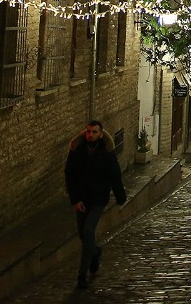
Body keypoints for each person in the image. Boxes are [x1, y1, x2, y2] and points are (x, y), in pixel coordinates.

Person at [65, 120, 126, 289]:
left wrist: (120, 196)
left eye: (94, 132)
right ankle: (95, 252)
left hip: (98, 199)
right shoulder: (77, 151)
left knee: (88, 231)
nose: (90, 135)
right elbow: (69, 175)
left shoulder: (106, 152)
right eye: (88, 132)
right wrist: (75, 200)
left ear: (100, 134)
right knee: (83, 236)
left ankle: (82, 274)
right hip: (82, 199)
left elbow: (114, 175)